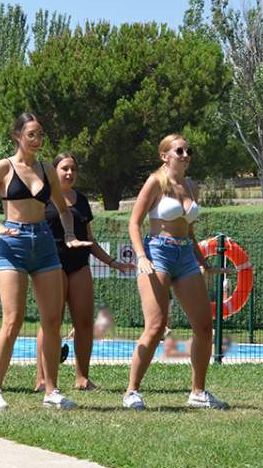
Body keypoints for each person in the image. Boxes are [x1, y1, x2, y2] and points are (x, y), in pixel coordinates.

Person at [0, 113, 89, 411]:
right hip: (13, 242)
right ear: (17, 136)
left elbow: (63, 208)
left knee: (52, 321)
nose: (38, 140)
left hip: (45, 243)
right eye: (32, 134)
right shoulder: (4, 167)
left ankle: (52, 391)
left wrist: (70, 235)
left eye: (41, 134)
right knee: (13, 319)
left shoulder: (47, 168)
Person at [125, 134, 228, 411]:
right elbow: (134, 224)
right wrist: (142, 257)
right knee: (156, 327)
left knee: (204, 326)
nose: (185, 155)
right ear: (165, 156)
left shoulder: (191, 186)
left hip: (184, 255)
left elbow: (189, 230)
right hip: (157, 252)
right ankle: (132, 391)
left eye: (187, 150)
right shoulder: (155, 182)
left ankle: (198, 392)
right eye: (179, 150)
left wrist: (202, 261)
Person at [34, 153, 134, 392]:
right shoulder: (42, 198)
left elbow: (90, 240)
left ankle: (82, 378)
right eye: (64, 168)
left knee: (84, 322)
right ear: (54, 171)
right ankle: (42, 379)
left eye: (73, 169)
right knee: (51, 322)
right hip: (51, 266)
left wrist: (113, 263)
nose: (69, 173)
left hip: (79, 266)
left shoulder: (81, 201)